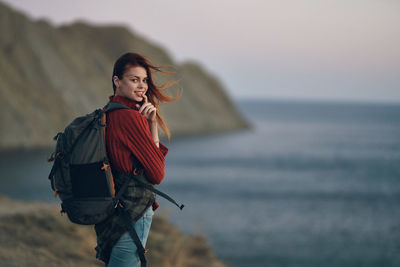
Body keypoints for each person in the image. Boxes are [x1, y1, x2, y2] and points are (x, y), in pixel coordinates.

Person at [94, 52, 182, 266]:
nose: (142, 86)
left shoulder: (107, 112)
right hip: (132, 212)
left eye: (144, 80)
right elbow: (157, 174)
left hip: (109, 212)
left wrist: (150, 123)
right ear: (117, 81)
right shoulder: (131, 118)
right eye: (134, 80)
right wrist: (151, 126)